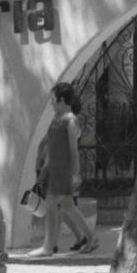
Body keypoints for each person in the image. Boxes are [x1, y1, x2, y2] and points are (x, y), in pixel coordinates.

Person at [36, 83, 97, 255]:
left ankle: (48, 247)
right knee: (68, 207)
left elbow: (73, 150)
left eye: (53, 99)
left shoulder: (70, 121)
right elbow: (53, 147)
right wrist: (44, 170)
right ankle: (91, 238)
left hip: (63, 171)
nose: (51, 103)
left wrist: (76, 174)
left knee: (51, 205)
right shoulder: (57, 119)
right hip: (54, 170)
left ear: (61, 100)